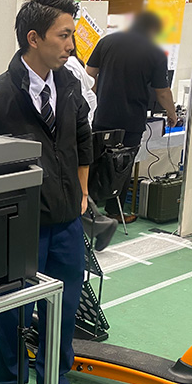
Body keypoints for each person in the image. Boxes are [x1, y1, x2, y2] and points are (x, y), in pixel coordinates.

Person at [0, 0, 98, 384]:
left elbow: (83, 141)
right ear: (34, 38)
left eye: (72, 35)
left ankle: (56, 380)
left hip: (67, 223)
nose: (71, 45)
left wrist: (82, 192)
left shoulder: (69, 86)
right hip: (18, 229)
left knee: (64, 306)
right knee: (14, 313)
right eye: (64, 35)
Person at [85, 12, 178, 222]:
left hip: (103, 116)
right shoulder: (155, 52)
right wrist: (171, 114)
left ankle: (87, 208)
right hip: (131, 119)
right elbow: (162, 92)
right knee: (122, 167)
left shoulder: (107, 41)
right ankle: (114, 210)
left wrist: (99, 93)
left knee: (95, 162)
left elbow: (89, 73)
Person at [66, 37, 118, 250]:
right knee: (72, 186)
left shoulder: (68, 66)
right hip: (83, 129)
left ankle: (100, 224)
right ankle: (100, 224)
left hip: (73, 134)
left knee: (71, 186)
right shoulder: (75, 65)